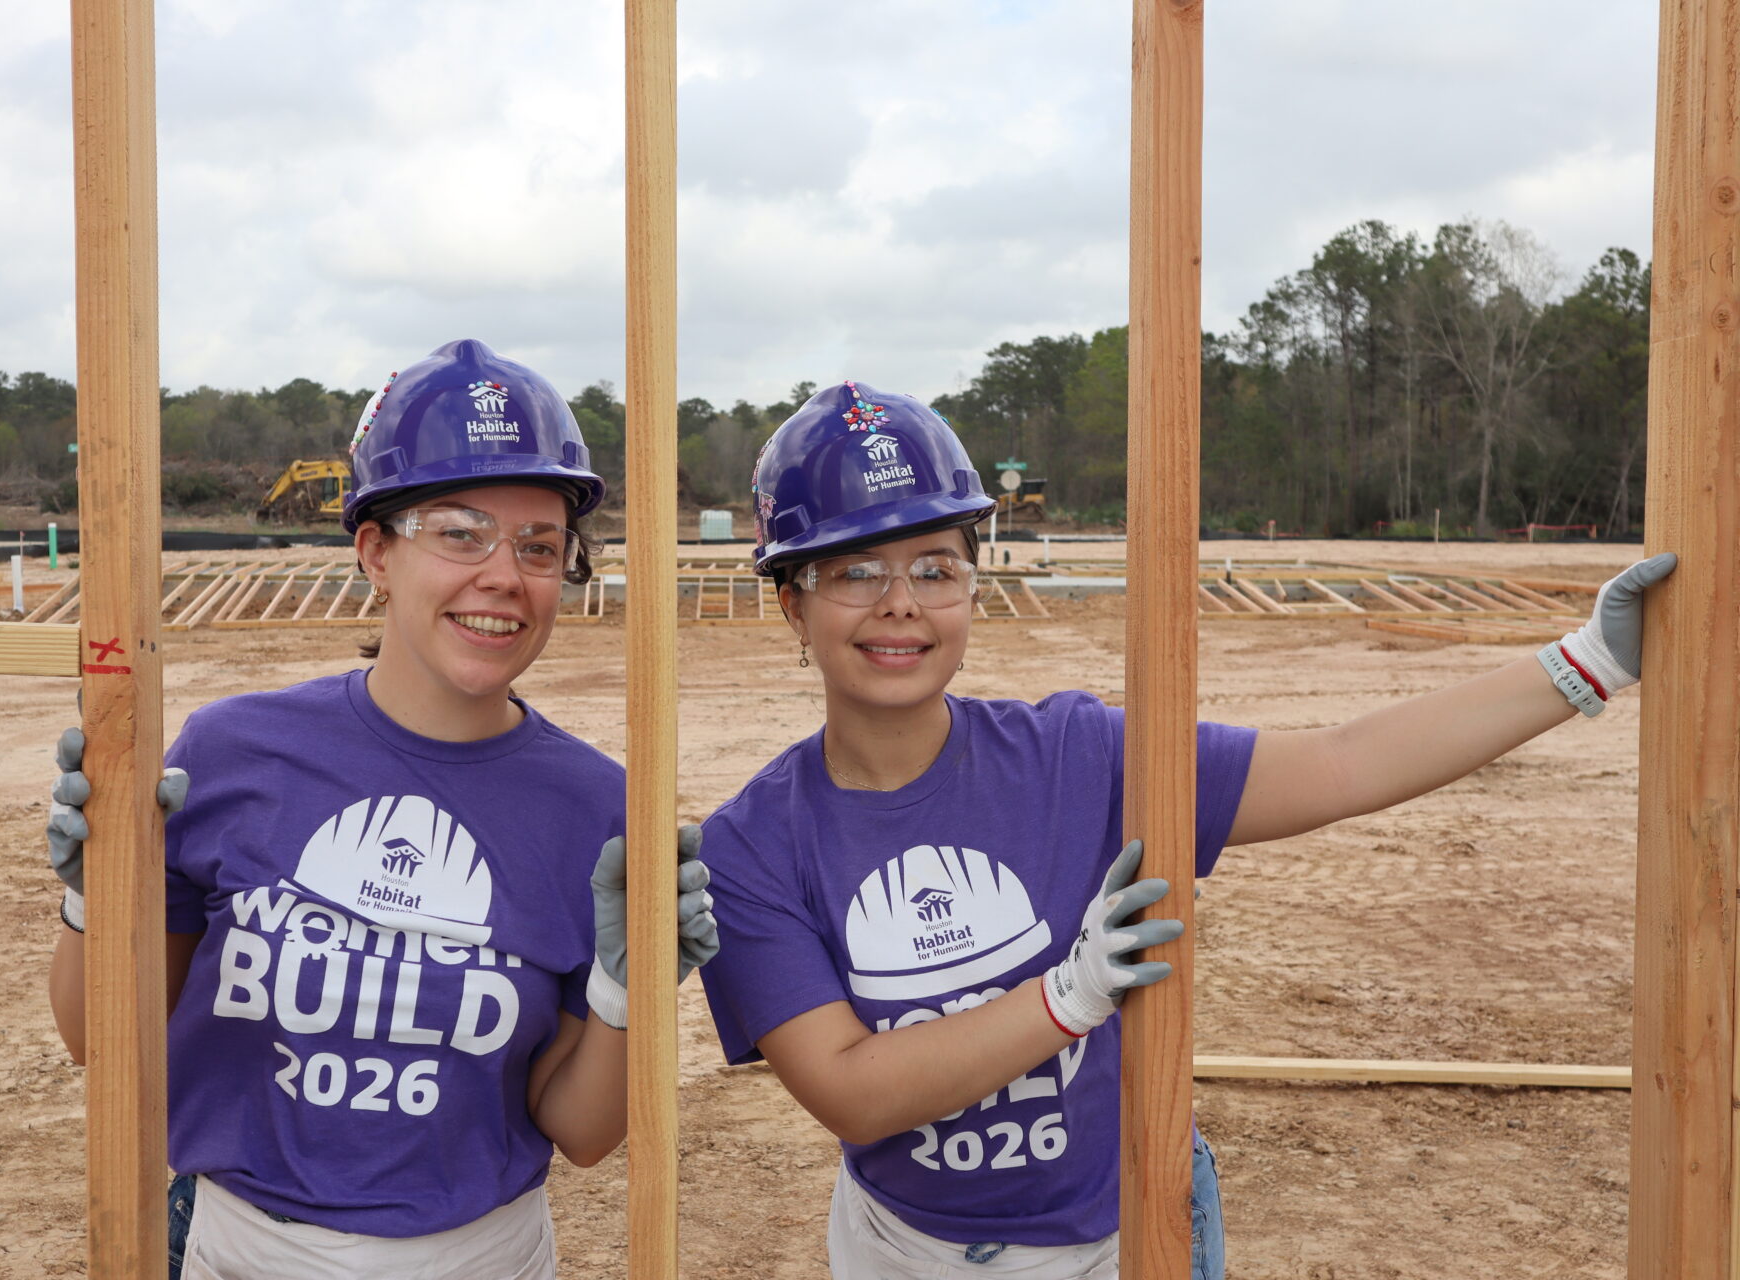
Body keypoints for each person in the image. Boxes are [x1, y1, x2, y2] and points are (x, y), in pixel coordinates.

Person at [697, 379, 1673, 1280]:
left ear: (971, 587)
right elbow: (852, 1089)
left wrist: (1581, 662)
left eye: (935, 566)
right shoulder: (754, 842)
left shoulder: (1079, 755)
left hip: (1133, 1232)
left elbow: (1340, 761)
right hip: (904, 1250)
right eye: (858, 569)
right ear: (792, 601)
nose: (902, 601)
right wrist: (1068, 996)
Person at [44, 339, 718, 1280]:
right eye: (459, 531)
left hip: (485, 1256)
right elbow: (97, 1041)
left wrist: (625, 992)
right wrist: (93, 906)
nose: (503, 575)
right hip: (241, 1247)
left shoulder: (599, 805)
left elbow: (585, 1131)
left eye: (538, 545)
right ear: (375, 552)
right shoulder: (233, 753)